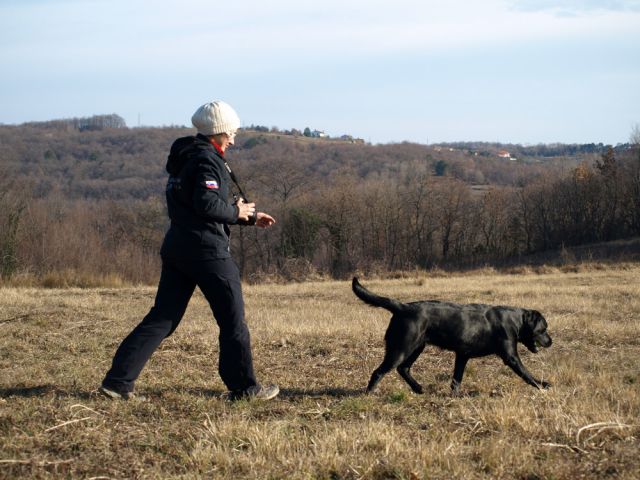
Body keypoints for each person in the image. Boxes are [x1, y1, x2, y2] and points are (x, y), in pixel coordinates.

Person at [99, 101, 279, 401]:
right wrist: (236, 213)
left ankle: (118, 382)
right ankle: (245, 388)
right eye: (231, 133)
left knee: (162, 318)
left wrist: (248, 215)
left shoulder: (185, 157)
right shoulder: (208, 161)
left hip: (178, 247)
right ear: (218, 132)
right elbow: (207, 205)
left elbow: (198, 206)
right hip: (207, 252)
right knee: (233, 321)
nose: (233, 139)